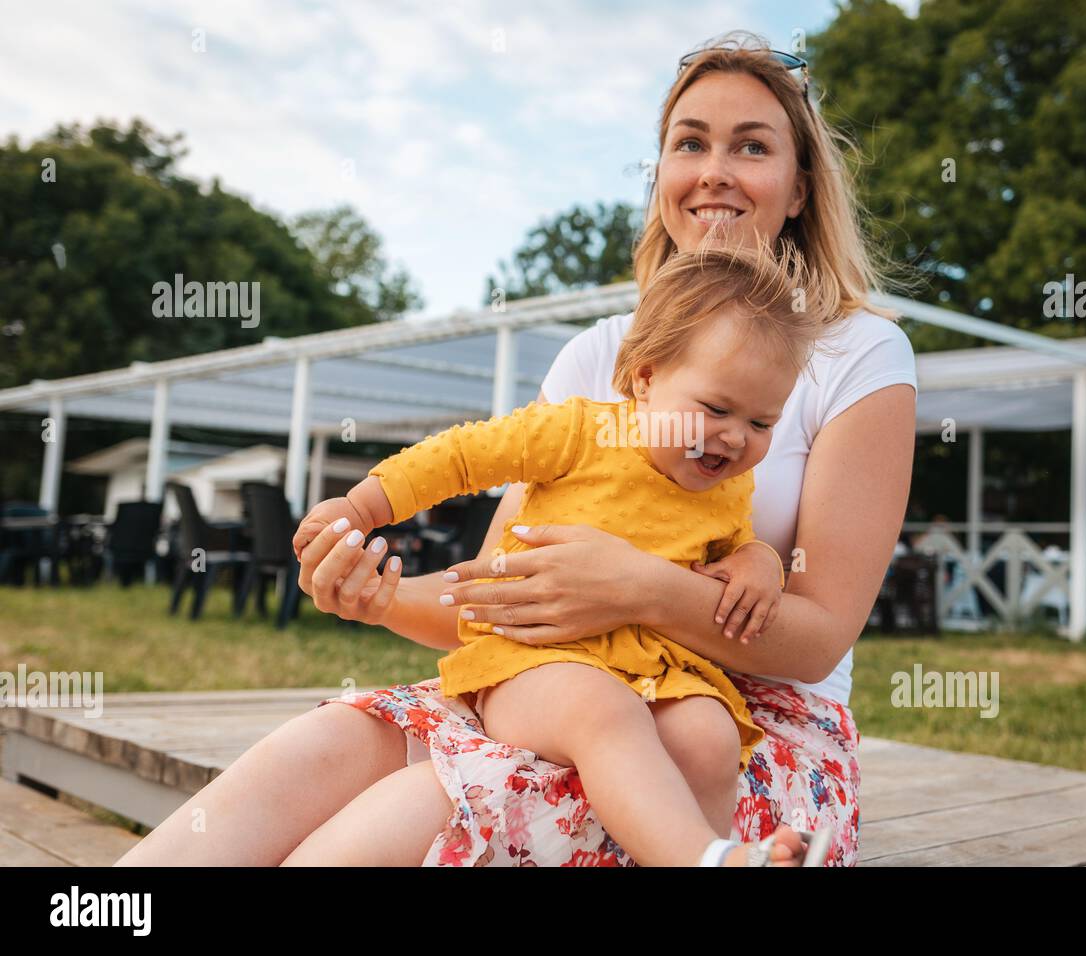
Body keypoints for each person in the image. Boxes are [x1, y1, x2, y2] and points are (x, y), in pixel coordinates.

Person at [115, 31, 917, 869]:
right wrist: (377, 596)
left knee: (395, 822)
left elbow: (818, 632)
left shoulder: (857, 352)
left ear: (799, 188)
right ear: (662, 179)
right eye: (690, 143)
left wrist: (637, 588)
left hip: (741, 718)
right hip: (555, 676)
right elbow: (504, 591)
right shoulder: (598, 356)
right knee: (320, 746)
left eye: (751, 145)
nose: (714, 169)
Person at [293, 239, 831, 866]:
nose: (736, 437)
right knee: (600, 711)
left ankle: (707, 855)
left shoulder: (726, 485)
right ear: (647, 377)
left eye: (763, 423)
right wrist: (364, 508)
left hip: (652, 672)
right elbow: (463, 457)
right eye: (715, 409)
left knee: (708, 733)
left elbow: (731, 548)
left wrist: (758, 561)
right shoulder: (580, 431)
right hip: (533, 666)